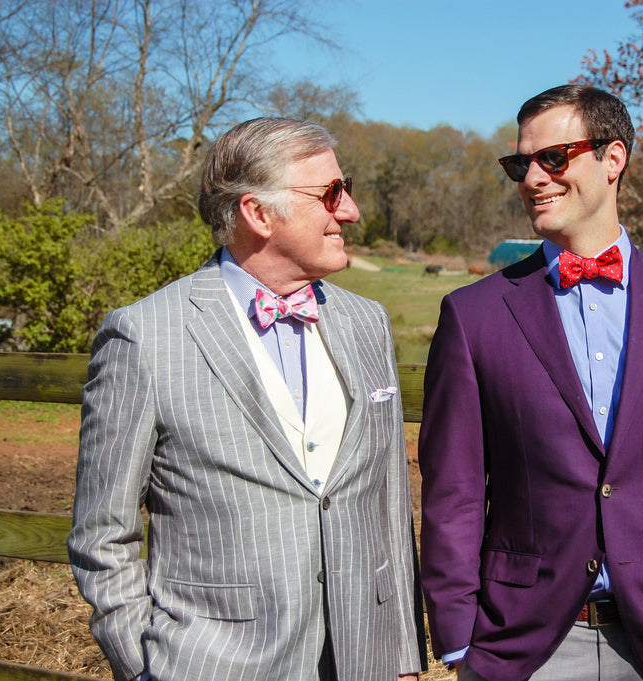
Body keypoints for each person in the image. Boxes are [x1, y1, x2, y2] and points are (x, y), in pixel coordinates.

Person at [418, 84, 643, 681]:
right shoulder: (473, 316)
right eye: (519, 164)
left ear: (613, 159)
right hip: (524, 647)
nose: (532, 178)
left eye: (553, 157)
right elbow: (454, 493)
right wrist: (456, 638)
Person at [68, 117, 426, 681]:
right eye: (331, 193)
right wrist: (142, 666)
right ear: (258, 213)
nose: (351, 211)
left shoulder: (366, 323)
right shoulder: (144, 336)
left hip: (365, 661)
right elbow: (101, 533)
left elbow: (387, 499)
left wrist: (402, 651)